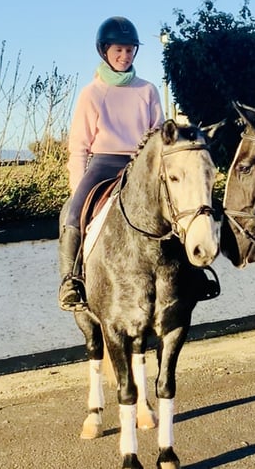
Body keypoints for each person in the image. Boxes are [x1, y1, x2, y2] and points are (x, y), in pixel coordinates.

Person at [58, 16, 164, 310]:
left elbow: (160, 135)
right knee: (72, 213)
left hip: (141, 165)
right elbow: (78, 146)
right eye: (118, 49)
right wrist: (78, 187)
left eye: (130, 50)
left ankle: (191, 274)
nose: (124, 55)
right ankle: (71, 281)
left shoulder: (148, 90)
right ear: (104, 51)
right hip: (104, 164)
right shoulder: (91, 93)